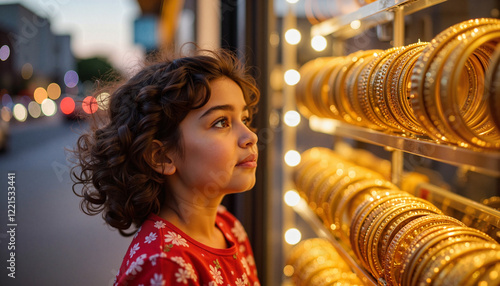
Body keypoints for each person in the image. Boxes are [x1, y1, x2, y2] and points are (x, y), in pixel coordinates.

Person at [71, 49, 261, 286]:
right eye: (221, 122)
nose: (250, 136)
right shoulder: (164, 265)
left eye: (244, 119)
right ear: (161, 157)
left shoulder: (228, 226)